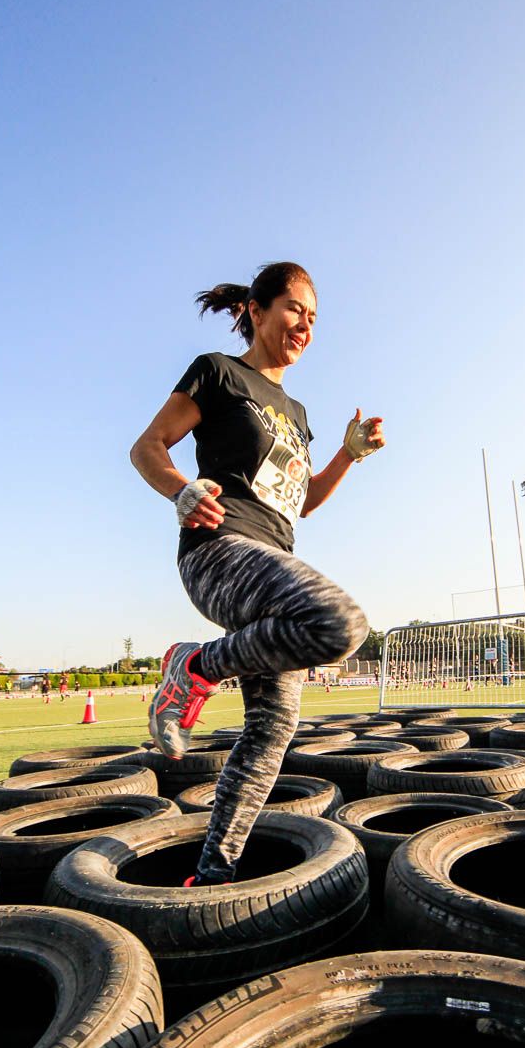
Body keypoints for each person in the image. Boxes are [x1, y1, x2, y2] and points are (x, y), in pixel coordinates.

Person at [131, 262, 384, 887]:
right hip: (218, 550)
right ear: (258, 310)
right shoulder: (218, 371)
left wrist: (347, 455)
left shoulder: (297, 413)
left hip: (275, 558)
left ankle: (214, 876)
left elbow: (302, 501)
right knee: (340, 621)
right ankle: (192, 667)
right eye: (295, 309)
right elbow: (147, 447)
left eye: (315, 318)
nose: (305, 325)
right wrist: (180, 491)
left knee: (272, 731)